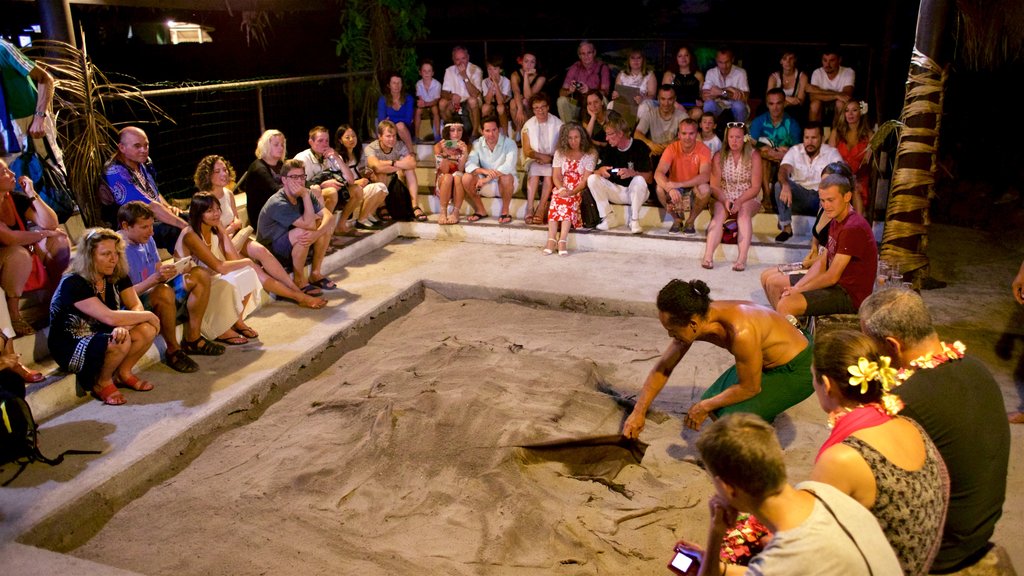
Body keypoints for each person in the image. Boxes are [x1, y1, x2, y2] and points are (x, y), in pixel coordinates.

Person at [859, 288, 1013, 574]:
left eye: (872, 346)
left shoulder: (904, 402)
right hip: (980, 528)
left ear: (892, 345)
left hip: (942, 549)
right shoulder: (976, 367)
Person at [692, 412, 902, 575]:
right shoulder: (823, 491)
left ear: (728, 488)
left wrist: (716, 532)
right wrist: (721, 561)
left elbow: (785, 566)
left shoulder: (780, 563)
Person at [810, 329, 947, 575]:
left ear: (827, 385)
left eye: (813, 378)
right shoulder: (909, 425)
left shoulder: (843, 458)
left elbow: (810, 546)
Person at [622, 279, 814, 438]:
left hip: (799, 368)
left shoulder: (741, 332)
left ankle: (755, 437)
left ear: (692, 324)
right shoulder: (701, 315)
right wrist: (638, 412)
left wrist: (703, 406)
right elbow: (664, 367)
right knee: (714, 404)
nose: (671, 337)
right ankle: (759, 413)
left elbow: (750, 388)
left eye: (672, 332)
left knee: (727, 417)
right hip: (766, 359)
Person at [194, 155, 327, 307]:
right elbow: (206, 231)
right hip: (219, 243)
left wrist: (234, 226)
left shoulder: (228, 194)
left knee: (263, 252)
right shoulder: (203, 199)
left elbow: (237, 221)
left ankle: (295, 288)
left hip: (236, 237)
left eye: (224, 169)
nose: (224, 174)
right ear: (207, 174)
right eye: (217, 171)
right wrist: (231, 227)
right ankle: (297, 296)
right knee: (253, 268)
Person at [47, 228, 159, 406]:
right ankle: (102, 382)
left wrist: (127, 326)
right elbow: (109, 317)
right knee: (122, 339)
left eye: (115, 253)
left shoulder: (116, 273)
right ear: (89, 256)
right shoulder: (73, 282)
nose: (113, 259)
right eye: (105, 254)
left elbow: (134, 305)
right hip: (72, 344)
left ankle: (123, 373)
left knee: (146, 330)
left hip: (104, 332)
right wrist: (149, 315)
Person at [117, 202, 222, 373]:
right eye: (144, 227)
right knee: (163, 291)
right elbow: (123, 297)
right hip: (135, 303)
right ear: (126, 226)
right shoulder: (116, 250)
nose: (151, 232)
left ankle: (193, 338)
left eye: (151, 225)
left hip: (156, 287)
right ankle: (173, 350)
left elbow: (157, 267)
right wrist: (154, 280)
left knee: (200, 274)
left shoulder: (148, 239)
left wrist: (172, 271)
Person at [767, 173, 877, 318]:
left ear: (847, 197)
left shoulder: (853, 227)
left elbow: (832, 276)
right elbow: (822, 261)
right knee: (775, 284)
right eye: (822, 201)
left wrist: (800, 290)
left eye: (831, 200)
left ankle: (794, 336)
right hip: (835, 285)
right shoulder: (835, 219)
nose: (826, 206)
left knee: (787, 304)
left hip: (848, 295)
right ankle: (791, 330)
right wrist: (798, 287)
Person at [760, 161, 852, 297]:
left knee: (774, 282)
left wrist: (809, 263)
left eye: (830, 183)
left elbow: (831, 260)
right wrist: (813, 248)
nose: (825, 187)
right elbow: (816, 234)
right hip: (815, 261)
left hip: (823, 267)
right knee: (765, 276)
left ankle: (787, 314)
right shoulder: (824, 206)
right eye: (823, 182)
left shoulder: (841, 216)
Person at [0, 159, 69, 336]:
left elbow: (51, 223)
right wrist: (44, 234)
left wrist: (31, 193)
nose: (13, 174)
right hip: (9, 257)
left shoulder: (13, 198)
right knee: (19, 254)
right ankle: (14, 313)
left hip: (24, 252)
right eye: (5, 172)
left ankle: (56, 297)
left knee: (60, 241)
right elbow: (10, 238)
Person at [255, 159, 336, 300]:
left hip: (290, 243)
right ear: (284, 180)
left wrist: (317, 233)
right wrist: (305, 195)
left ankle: (315, 273)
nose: (299, 181)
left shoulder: (305, 192)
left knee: (323, 227)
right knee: (305, 232)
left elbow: (328, 216)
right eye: (294, 177)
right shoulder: (278, 202)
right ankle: (299, 280)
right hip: (271, 251)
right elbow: (309, 225)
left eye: (302, 176)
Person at [100, 127, 187, 252]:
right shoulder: (115, 172)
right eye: (137, 146)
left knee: (192, 217)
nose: (144, 150)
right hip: (130, 227)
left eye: (146, 145)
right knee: (176, 229)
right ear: (122, 147)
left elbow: (153, 193)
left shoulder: (144, 163)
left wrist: (169, 208)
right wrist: (185, 226)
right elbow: (149, 206)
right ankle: (187, 267)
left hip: (151, 218)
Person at [702, 121, 762, 272]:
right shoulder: (718, 156)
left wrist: (740, 201)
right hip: (725, 195)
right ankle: (708, 256)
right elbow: (714, 186)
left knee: (743, 214)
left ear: (745, 138)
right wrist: (725, 200)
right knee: (719, 215)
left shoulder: (754, 156)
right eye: (731, 137)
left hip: (747, 196)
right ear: (726, 138)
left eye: (738, 137)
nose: (734, 141)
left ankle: (742, 258)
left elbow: (755, 187)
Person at [0, 38, 62, 173]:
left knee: (50, 176)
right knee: (12, 183)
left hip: (28, 123)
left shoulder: (2, 48)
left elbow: (45, 78)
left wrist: (39, 117)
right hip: (4, 132)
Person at [772, 122, 842, 242]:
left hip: (820, 198)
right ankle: (787, 229)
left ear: (822, 138)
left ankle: (821, 232)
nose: (809, 142)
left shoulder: (831, 153)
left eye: (814, 138)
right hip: (799, 197)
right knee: (780, 185)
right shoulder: (795, 150)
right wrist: (785, 185)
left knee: (831, 190)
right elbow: (783, 169)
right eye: (807, 138)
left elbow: (841, 171)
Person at [586, 114, 652, 234]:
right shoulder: (610, 149)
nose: (606, 138)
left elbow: (649, 178)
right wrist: (600, 171)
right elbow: (596, 171)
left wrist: (633, 173)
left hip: (638, 192)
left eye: (609, 134)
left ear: (620, 133)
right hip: (618, 191)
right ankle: (608, 217)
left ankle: (634, 220)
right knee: (592, 179)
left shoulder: (639, 146)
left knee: (639, 180)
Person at [295, 125, 364, 234]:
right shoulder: (302, 158)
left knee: (357, 190)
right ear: (311, 142)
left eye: (327, 140)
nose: (324, 144)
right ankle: (323, 233)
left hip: (334, 192)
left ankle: (341, 226)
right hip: (310, 196)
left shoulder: (332, 155)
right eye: (320, 141)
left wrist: (337, 158)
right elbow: (298, 185)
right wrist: (323, 185)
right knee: (331, 192)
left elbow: (350, 180)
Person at [543, 123, 596, 256]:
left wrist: (571, 192)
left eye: (576, 137)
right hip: (563, 186)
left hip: (578, 189)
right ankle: (551, 239)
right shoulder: (559, 153)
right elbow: (556, 176)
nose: (573, 141)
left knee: (567, 200)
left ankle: (562, 240)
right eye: (570, 138)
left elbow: (585, 181)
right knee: (557, 198)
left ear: (582, 138)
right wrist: (561, 188)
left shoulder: (590, 154)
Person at [653, 118, 712, 236]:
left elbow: (705, 176)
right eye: (684, 133)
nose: (687, 137)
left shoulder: (704, 149)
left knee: (705, 188)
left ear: (697, 134)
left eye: (691, 133)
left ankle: (690, 222)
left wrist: (679, 184)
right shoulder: (671, 148)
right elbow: (658, 173)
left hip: (692, 189)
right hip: (675, 190)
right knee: (659, 188)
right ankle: (677, 220)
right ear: (679, 134)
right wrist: (670, 188)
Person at [750, 88, 802, 208]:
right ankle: (767, 198)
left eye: (779, 103)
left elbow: (798, 148)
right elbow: (748, 139)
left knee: (785, 159)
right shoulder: (759, 120)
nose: (775, 107)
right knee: (762, 156)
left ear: (785, 103)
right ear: (767, 104)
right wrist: (764, 147)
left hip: (784, 159)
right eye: (771, 104)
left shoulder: (792, 123)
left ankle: (780, 200)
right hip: (765, 158)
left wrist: (785, 152)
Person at [366, 119, 424, 222]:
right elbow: (376, 167)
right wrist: (401, 165)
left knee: (409, 170)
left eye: (394, 136)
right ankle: (382, 206)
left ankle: (415, 206)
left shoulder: (399, 145)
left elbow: (412, 163)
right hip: (375, 181)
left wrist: (392, 163)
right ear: (380, 136)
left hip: (393, 177)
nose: (392, 139)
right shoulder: (371, 148)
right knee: (381, 173)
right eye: (388, 136)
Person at [463, 116, 518, 224]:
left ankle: (505, 211)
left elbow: (508, 166)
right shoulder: (477, 143)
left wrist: (487, 178)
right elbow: (469, 164)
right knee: (466, 178)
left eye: (494, 130)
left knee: (506, 176)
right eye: (487, 131)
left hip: (507, 184)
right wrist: (484, 172)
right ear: (482, 131)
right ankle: (480, 210)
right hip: (484, 183)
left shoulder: (510, 143)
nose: (491, 134)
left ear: (499, 129)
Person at [333, 124, 389, 230]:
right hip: (348, 190)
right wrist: (356, 182)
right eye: (347, 137)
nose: (351, 139)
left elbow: (361, 170)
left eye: (353, 136)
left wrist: (368, 174)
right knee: (378, 187)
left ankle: (367, 215)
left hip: (359, 186)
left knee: (383, 189)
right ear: (340, 140)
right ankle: (361, 220)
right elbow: (339, 178)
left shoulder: (357, 153)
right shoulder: (339, 157)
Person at [521, 93, 563, 225]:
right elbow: (527, 150)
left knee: (549, 174)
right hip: (534, 159)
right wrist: (540, 157)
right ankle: (530, 207)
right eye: (536, 108)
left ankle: (541, 207)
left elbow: (561, 148)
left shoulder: (558, 124)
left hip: (553, 159)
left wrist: (549, 159)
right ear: (533, 110)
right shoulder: (528, 125)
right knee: (534, 171)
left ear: (548, 107)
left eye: (543, 107)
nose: (540, 110)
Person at [828, 99, 873, 214]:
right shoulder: (836, 133)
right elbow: (829, 158)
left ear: (861, 113)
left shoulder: (869, 135)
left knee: (856, 187)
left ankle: (858, 225)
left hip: (859, 176)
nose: (850, 114)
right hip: (838, 174)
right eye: (847, 111)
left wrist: (854, 177)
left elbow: (867, 161)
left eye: (854, 110)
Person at [238, 129, 286, 231]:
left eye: (282, 144)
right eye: (276, 144)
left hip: (280, 211)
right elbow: (276, 191)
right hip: (263, 220)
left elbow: (297, 180)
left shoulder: (280, 164)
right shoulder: (258, 169)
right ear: (266, 146)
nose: (281, 148)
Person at [557, 40, 611, 123]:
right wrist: (569, 91)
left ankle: (604, 128)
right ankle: (570, 130)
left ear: (594, 53)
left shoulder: (602, 67)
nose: (586, 56)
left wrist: (588, 91)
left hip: (594, 102)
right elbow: (561, 92)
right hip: (578, 102)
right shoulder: (575, 67)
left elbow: (605, 93)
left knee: (603, 99)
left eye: (589, 53)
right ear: (579, 55)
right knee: (561, 100)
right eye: (583, 53)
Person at [439, 46, 484, 138]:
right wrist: (451, 96)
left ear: (468, 57)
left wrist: (464, 76)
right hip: (456, 103)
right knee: (442, 103)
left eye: (463, 58)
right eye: (457, 59)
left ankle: (475, 133)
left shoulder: (476, 70)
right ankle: (450, 130)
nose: (461, 62)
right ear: (453, 60)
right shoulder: (449, 71)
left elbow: (475, 94)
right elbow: (443, 93)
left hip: (471, 101)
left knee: (472, 101)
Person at [634, 84, 688, 158]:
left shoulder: (682, 116)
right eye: (663, 99)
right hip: (653, 153)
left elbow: (687, 136)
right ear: (658, 99)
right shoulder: (650, 114)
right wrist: (650, 144)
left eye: (670, 99)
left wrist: (665, 146)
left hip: (675, 154)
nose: (666, 103)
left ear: (675, 99)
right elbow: (637, 134)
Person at [609, 48, 657, 130]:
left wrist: (643, 99)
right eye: (633, 58)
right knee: (610, 104)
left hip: (642, 102)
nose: (636, 61)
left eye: (639, 58)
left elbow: (652, 95)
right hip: (625, 102)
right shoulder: (621, 74)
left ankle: (636, 131)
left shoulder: (650, 75)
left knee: (643, 108)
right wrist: (615, 95)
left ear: (643, 60)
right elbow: (616, 92)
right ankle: (616, 131)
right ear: (628, 60)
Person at [807, 46, 855, 124]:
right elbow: (812, 96)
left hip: (838, 104)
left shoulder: (848, 72)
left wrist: (820, 91)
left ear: (839, 60)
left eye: (832, 60)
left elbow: (846, 95)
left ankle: (837, 133)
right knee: (815, 104)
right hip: (822, 105)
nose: (827, 64)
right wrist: (836, 95)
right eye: (825, 60)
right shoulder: (817, 72)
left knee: (840, 103)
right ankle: (813, 132)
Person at [433, 122, 469, 225]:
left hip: (459, 180)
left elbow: (461, 169)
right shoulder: (439, 146)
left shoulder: (466, 145)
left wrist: (465, 153)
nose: (456, 134)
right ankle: (443, 212)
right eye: (452, 130)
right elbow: (444, 170)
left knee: (457, 176)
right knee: (448, 177)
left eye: (459, 130)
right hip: (444, 179)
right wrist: (444, 153)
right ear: (447, 132)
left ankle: (456, 212)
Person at [701, 48, 750, 123]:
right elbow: (705, 96)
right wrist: (728, 89)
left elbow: (744, 98)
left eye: (727, 62)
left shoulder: (740, 73)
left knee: (738, 106)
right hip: (718, 106)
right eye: (720, 62)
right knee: (708, 104)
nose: (724, 66)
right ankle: (711, 131)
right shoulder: (711, 73)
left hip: (734, 106)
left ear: (732, 60)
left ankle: (740, 130)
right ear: (716, 61)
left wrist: (720, 92)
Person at [376, 71, 416, 153]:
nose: (396, 85)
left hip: (406, 129)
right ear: (389, 85)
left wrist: (391, 120)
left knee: (400, 126)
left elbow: (408, 120)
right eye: (394, 83)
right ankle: (387, 155)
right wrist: (395, 122)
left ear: (402, 85)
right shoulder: (383, 100)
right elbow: (382, 121)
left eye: (399, 83)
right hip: (389, 130)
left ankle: (412, 153)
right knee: (386, 128)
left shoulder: (408, 98)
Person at [661, 45, 704, 119]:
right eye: (680, 56)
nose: (683, 58)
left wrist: (701, 102)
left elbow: (702, 94)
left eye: (686, 55)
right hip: (674, 106)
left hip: (692, 107)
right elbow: (664, 96)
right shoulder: (669, 75)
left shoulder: (698, 75)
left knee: (698, 113)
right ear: (675, 59)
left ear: (691, 57)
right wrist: (676, 105)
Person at [509, 52, 546, 136]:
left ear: (536, 64)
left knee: (525, 101)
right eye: (526, 61)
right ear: (521, 62)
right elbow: (516, 92)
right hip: (520, 105)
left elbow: (528, 97)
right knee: (513, 103)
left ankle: (526, 132)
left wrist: (526, 75)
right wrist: (520, 109)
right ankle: (519, 130)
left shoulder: (541, 78)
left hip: (534, 107)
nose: (529, 65)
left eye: (532, 62)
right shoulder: (515, 74)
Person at [766, 50, 808, 120]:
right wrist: (788, 99)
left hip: (794, 109)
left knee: (796, 112)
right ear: (781, 61)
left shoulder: (802, 76)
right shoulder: (773, 77)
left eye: (791, 58)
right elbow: (768, 98)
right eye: (784, 59)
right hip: (776, 106)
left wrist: (785, 103)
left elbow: (800, 101)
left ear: (795, 60)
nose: (788, 62)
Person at [480, 55, 512, 136]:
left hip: (504, 106)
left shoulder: (506, 81)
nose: (492, 72)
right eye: (489, 69)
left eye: (495, 69)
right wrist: (491, 86)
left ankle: (505, 134)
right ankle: (485, 132)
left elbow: (501, 101)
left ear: (500, 70)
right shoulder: (485, 82)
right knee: (485, 108)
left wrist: (496, 84)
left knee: (500, 107)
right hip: (492, 104)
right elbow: (487, 101)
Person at [414, 59, 441, 143]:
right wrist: (422, 103)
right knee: (418, 111)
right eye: (424, 71)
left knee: (435, 110)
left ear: (432, 73)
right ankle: (416, 136)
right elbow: (420, 97)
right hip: (424, 103)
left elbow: (436, 100)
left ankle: (437, 135)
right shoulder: (418, 84)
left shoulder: (437, 84)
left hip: (433, 103)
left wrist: (425, 104)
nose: (426, 73)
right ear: (420, 72)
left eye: (429, 71)